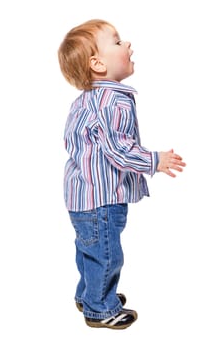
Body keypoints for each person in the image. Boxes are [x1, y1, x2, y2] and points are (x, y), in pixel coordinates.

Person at [58, 19, 186, 330]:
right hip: (101, 199)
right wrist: (154, 160)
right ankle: (99, 308)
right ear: (97, 63)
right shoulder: (112, 100)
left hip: (81, 195)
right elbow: (118, 150)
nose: (127, 45)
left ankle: (88, 294)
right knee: (106, 255)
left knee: (89, 248)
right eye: (117, 42)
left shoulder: (85, 100)